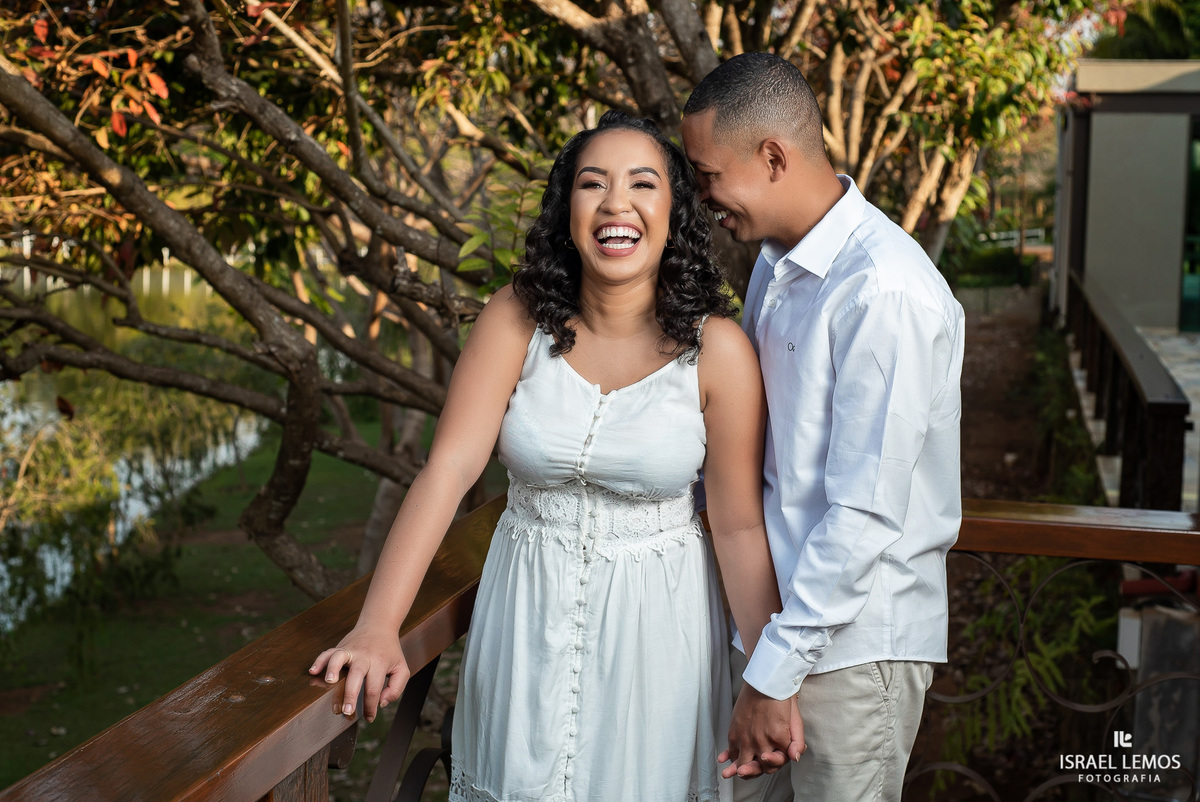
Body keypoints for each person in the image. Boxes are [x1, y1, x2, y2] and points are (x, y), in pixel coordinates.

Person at [310, 110, 794, 801]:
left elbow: (740, 526)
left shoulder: (717, 350)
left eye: (643, 185)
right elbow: (448, 470)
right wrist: (378, 626)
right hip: (523, 620)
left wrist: (770, 680)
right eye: (592, 184)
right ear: (567, 210)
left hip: (659, 635)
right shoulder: (515, 319)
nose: (615, 204)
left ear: (674, 211)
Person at [681, 53, 966, 801]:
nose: (703, 197)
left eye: (708, 176)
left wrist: (777, 669)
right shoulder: (776, 267)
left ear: (773, 157)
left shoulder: (886, 290)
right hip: (776, 632)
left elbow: (863, 512)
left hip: (850, 649)